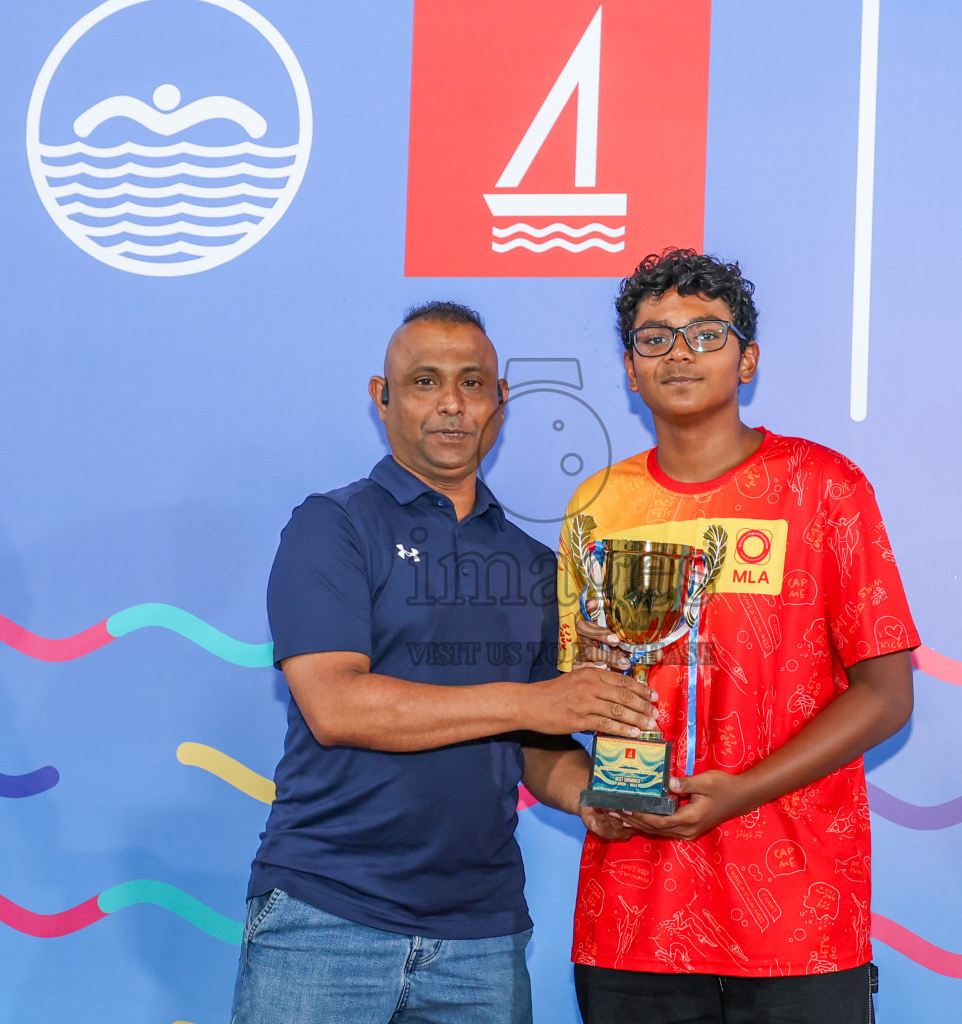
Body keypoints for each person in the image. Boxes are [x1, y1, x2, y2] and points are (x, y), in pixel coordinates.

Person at [232, 301, 657, 1024]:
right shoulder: (334, 525)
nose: (452, 404)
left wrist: (607, 797)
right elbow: (335, 707)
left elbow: (534, 750)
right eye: (425, 381)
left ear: (501, 401)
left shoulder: (535, 564)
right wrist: (533, 705)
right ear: (383, 395)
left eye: (473, 382)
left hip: (482, 940)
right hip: (325, 918)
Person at [558, 251, 920, 1024]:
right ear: (629, 368)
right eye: (654, 338)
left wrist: (739, 793)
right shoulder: (598, 503)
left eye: (705, 333)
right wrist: (601, 778)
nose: (679, 352)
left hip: (796, 918)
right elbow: (576, 693)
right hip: (633, 917)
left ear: (747, 358)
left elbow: (887, 698)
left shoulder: (825, 486)